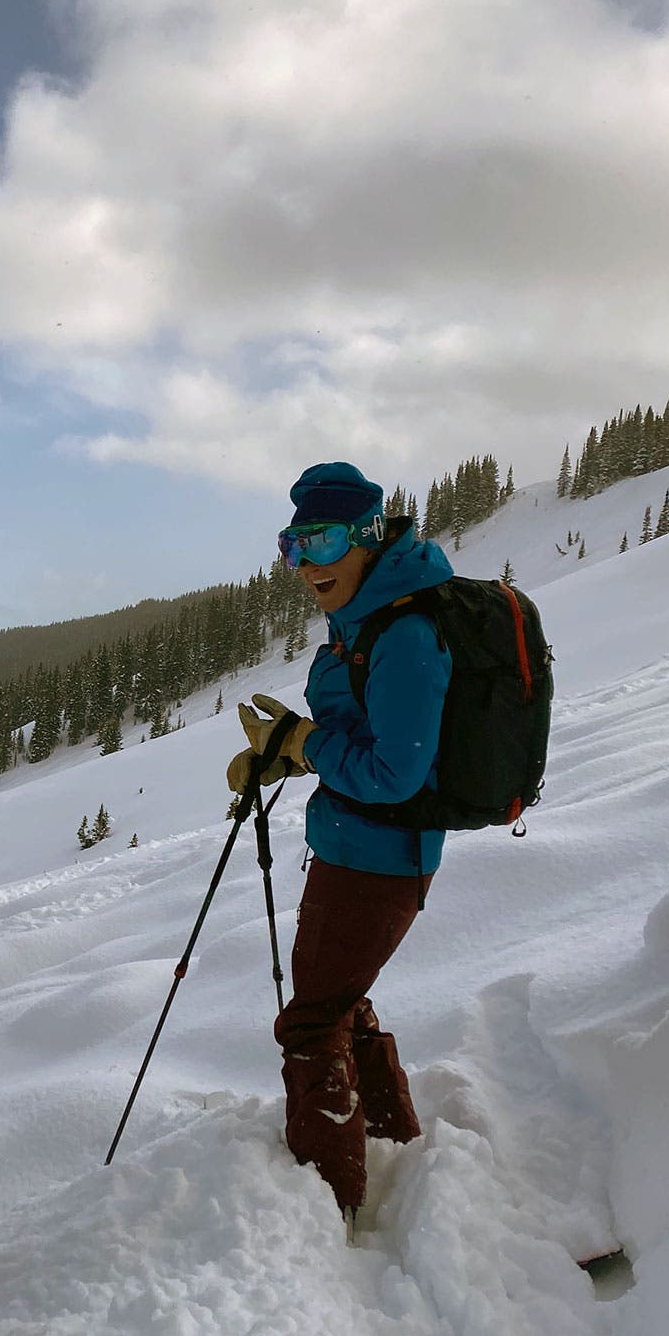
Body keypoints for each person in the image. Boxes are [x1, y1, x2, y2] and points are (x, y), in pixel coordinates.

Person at [227, 461, 454, 1226]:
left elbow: (395, 771)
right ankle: (387, 1139)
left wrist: (308, 745)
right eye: (292, 546)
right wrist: (292, 747)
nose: (305, 564)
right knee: (340, 1001)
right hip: (362, 850)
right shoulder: (366, 614)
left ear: (365, 536)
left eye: (320, 541)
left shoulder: (406, 631)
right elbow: (366, 735)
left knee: (313, 1021)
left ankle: (327, 1201)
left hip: (377, 859)